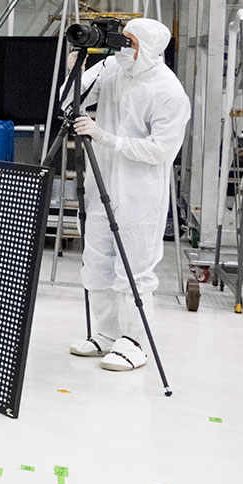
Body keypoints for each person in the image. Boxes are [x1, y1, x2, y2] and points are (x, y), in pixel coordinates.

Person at [67, 18, 190, 372]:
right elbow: (66, 105)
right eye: (121, 39)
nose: (122, 47)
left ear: (149, 48)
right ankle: (106, 334)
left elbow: (161, 150)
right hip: (102, 186)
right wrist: (75, 71)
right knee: (97, 264)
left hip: (139, 195)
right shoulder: (111, 69)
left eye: (130, 42)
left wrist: (107, 139)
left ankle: (135, 341)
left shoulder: (168, 91)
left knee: (133, 269)